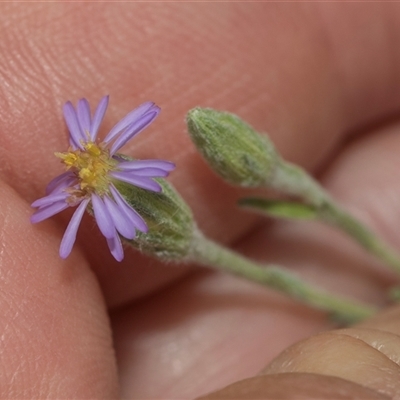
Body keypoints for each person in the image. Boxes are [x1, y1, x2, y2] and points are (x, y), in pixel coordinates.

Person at [1, 3, 399, 399]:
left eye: (85, 160)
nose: (82, 166)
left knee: (305, 212)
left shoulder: (112, 175)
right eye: (82, 169)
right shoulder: (106, 188)